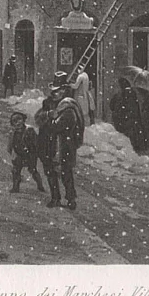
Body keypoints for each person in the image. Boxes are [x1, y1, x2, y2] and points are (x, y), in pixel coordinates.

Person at [46, 73, 84, 210]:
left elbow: (56, 126)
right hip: (57, 145)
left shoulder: (67, 108)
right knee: (54, 172)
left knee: (65, 173)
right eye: (53, 91)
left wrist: (50, 118)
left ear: (64, 90)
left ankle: (69, 199)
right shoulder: (61, 105)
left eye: (57, 91)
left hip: (64, 147)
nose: (54, 94)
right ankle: (57, 198)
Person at [7, 111, 46, 193]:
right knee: (16, 170)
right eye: (15, 121)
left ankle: (40, 185)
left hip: (30, 154)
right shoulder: (13, 133)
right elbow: (10, 144)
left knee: (32, 170)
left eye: (19, 119)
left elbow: (36, 142)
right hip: (19, 154)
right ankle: (15, 187)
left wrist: (34, 152)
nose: (18, 123)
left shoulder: (29, 130)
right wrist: (11, 152)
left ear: (23, 120)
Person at [109, 76, 146, 151]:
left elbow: (112, 106)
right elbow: (136, 108)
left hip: (122, 119)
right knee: (133, 133)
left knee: (124, 134)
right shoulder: (133, 94)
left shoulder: (119, 95)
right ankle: (135, 147)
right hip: (132, 118)